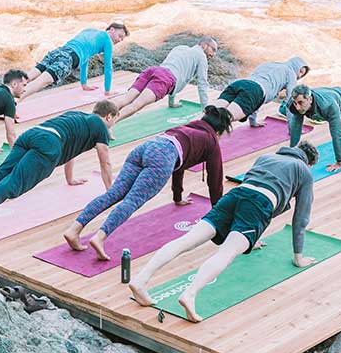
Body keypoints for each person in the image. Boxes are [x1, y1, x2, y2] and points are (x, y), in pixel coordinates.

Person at [129, 141, 319, 322]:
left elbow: (251, 192)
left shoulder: (267, 157)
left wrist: (253, 238)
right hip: (259, 205)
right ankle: (190, 294)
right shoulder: (303, 171)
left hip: (235, 195)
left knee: (187, 240)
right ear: (309, 163)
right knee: (227, 253)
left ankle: (140, 280)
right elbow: (300, 218)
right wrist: (298, 256)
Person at [63, 105, 234, 260]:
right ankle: (99, 237)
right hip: (162, 157)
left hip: (145, 148)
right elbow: (215, 181)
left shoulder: (187, 128)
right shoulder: (211, 141)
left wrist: (177, 197)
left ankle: (74, 230)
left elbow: (180, 165)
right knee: (132, 200)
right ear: (218, 131)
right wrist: (219, 215)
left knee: (113, 193)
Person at [0, 100, 119, 232]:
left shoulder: (76, 116)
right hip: (49, 144)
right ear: (109, 116)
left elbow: (70, 151)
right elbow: (106, 163)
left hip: (32, 134)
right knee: (15, 182)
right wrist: (112, 194)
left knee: (0, 174)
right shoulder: (100, 126)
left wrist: (70, 179)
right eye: (114, 121)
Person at [112, 37, 218, 122]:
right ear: (204, 45)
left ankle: (99, 116)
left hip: (153, 70)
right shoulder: (201, 56)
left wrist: (171, 102)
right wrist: (205, 109)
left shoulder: (180, 48)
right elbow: (202, 84)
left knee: (126, 98)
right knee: (137, 105)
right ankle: (106, 125)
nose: (213, 54)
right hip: (164, 79)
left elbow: (175, 71)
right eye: (213, 49)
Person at [20, 24, 129, 101]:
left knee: (27, 77)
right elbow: (108, 68)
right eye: (120, 36)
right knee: (40, 82)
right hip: (68, 59)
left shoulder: (89, 31)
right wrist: (107, 91)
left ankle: (6, 93)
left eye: (122, 39)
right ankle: (14, 102)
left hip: (58, 52)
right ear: (112, 30)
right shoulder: (108, 41)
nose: (119, 40)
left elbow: (84, 58)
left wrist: (84, 84)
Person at [214, 57, 309, 126]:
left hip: (240, 83)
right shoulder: (291, 74)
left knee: (212, 113)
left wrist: (253, 121)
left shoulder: (270, 63)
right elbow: (290, 102)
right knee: (225, 118)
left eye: (303, 74)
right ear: (296, 67)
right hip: (254, 90)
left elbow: (257, 99)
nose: (300, 76)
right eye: (300, 71)